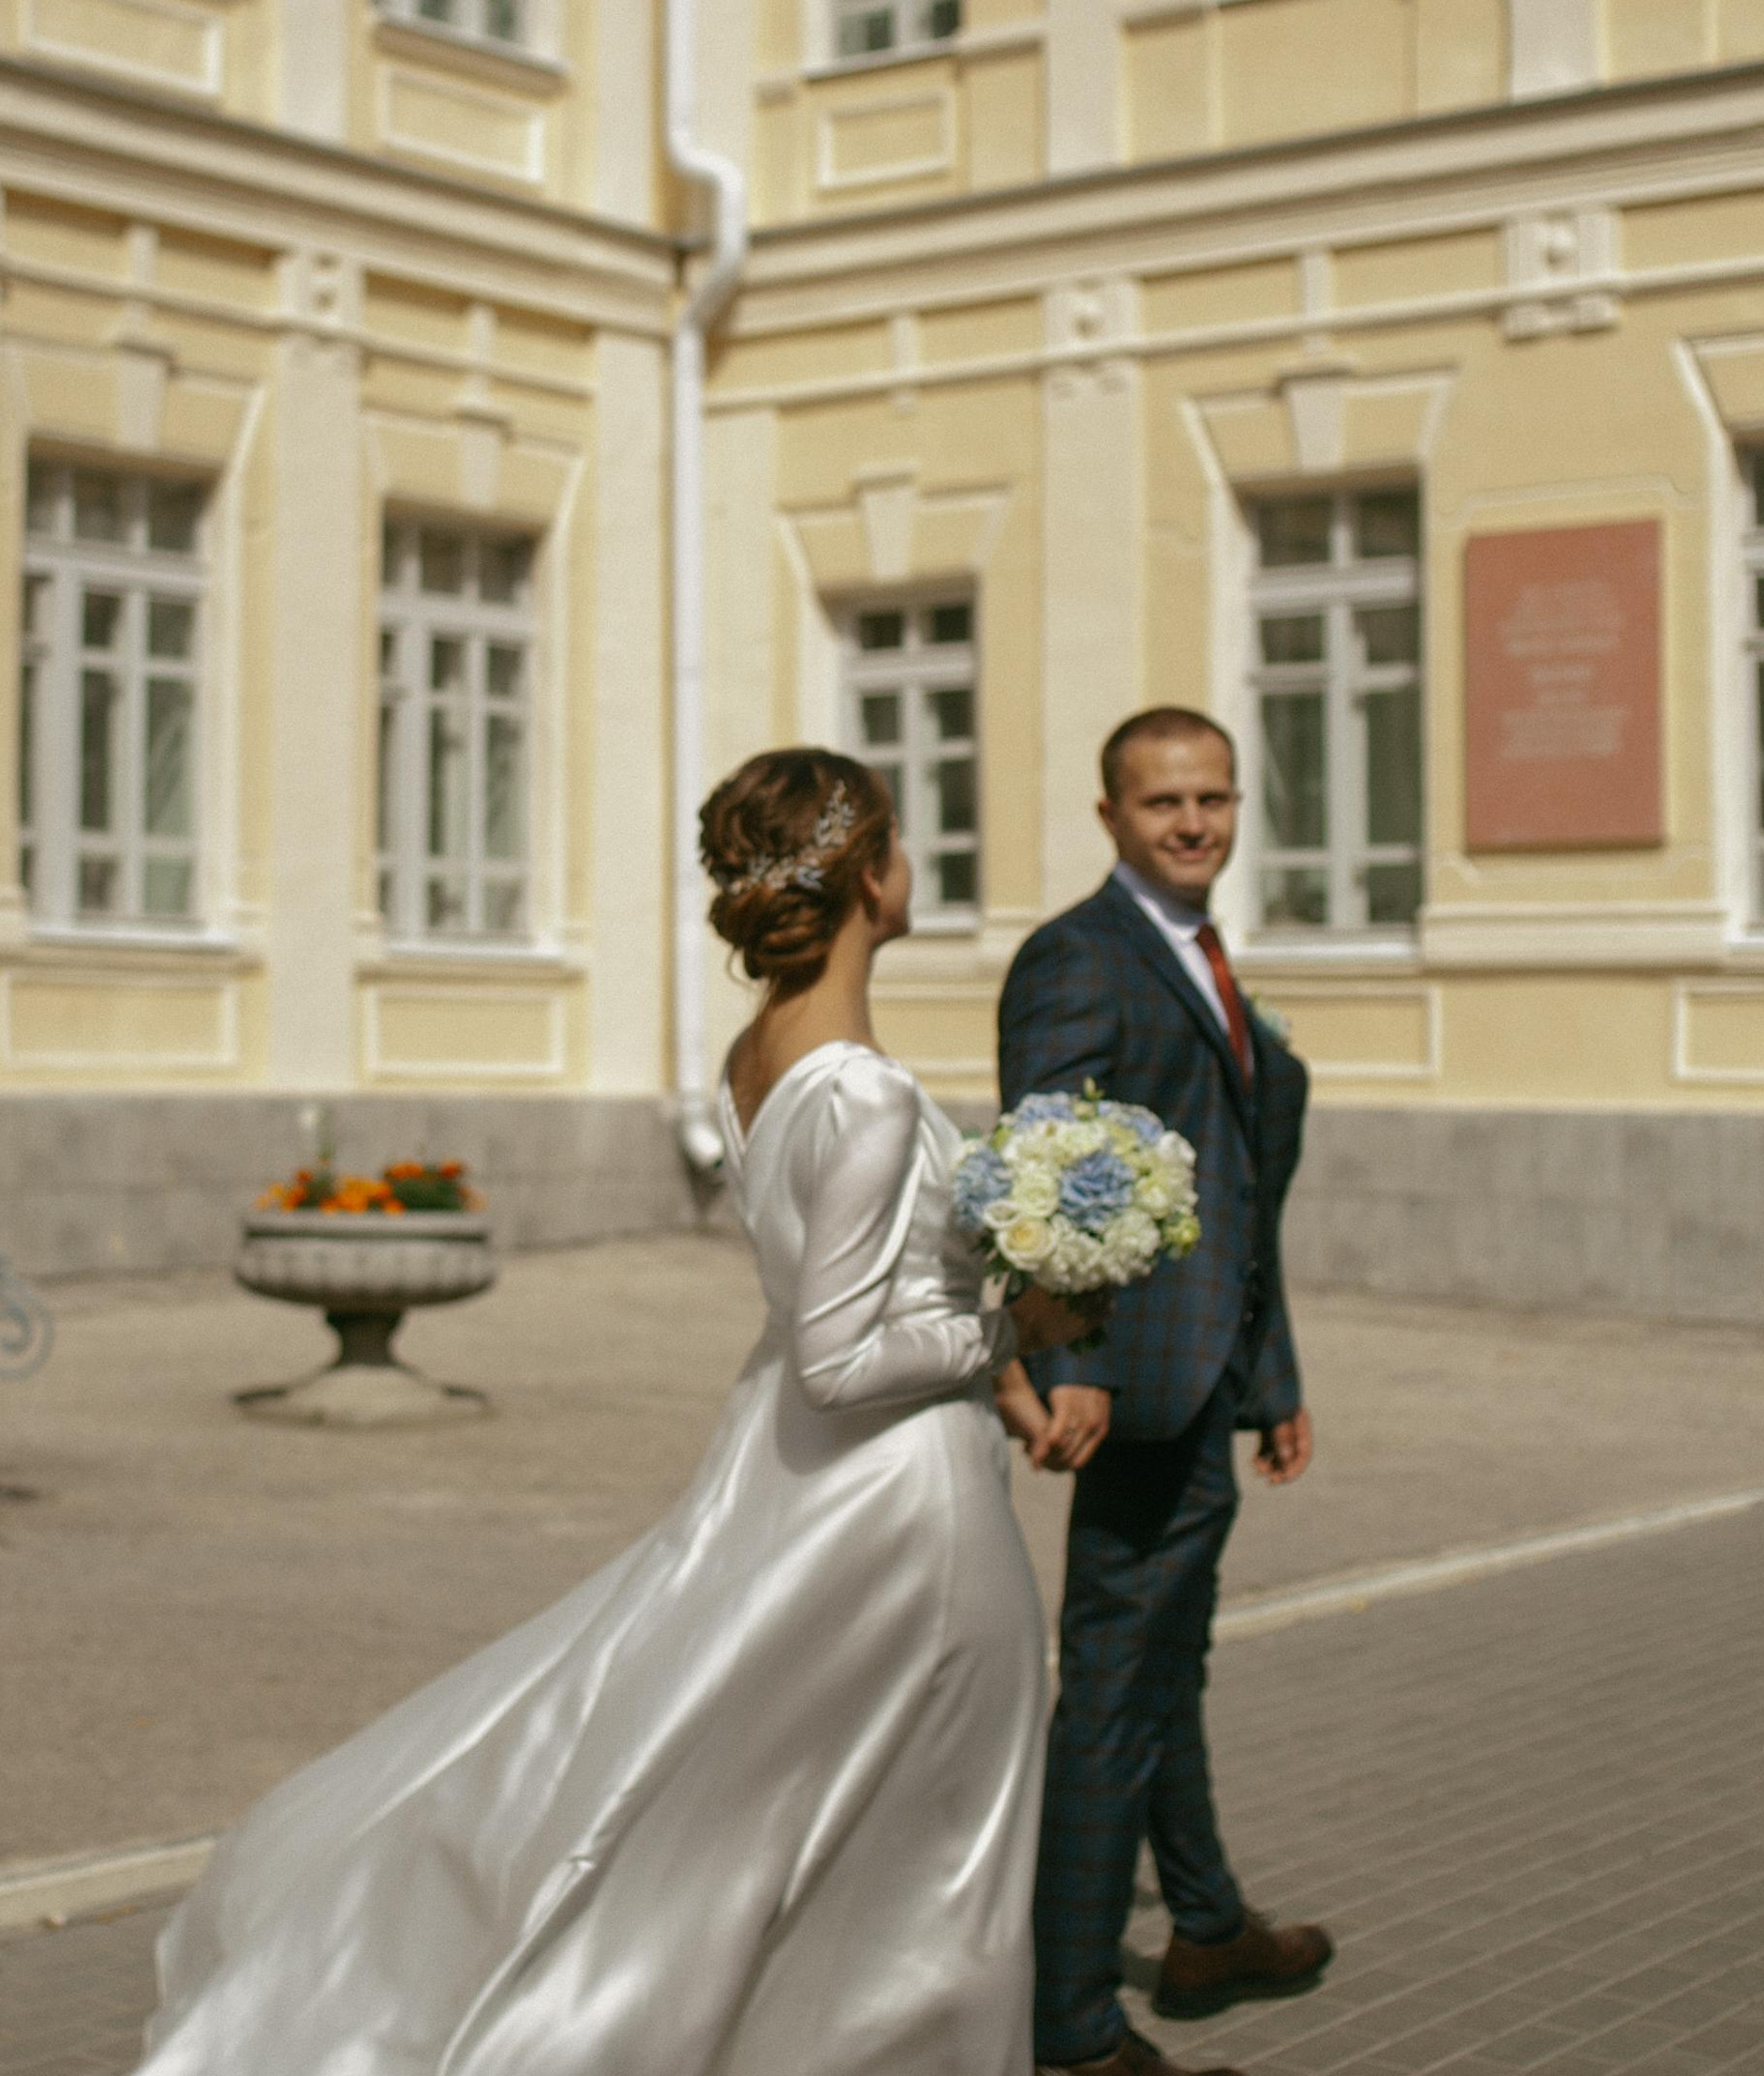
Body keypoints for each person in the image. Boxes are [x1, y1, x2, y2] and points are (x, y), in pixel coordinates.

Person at [131, 746, 1096, 2076]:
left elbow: (827, 1304)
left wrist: (1002, 1360)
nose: (912, 866)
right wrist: (1012, 1325)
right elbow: (839, 1354)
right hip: (894, 1503)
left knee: (781, 1823)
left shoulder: (757, 1059)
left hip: (791, 1477)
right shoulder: (864, 1091)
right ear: (868, 876)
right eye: (899, 842)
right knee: (933, 1842)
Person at [997, 707, 1331, 2076]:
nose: (1193, 822)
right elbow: (1043, 1161)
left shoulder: (1198, 952)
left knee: (1163, 1664)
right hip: (1129, 1387)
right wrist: (1069, 1361)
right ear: (1110, 818)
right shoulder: (1081, 955)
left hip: (1206, 1377)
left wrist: (1272, 1376)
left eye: (1214, 798)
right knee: (1114, 1693)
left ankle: (1203, 1926)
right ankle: (1072, 2026)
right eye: (1162, 803)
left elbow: (1236, 1196)